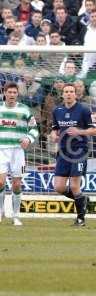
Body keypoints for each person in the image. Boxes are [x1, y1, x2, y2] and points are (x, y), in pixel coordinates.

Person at [50, 83, 96, 226]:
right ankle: (82, 200)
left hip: (79, 151)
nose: (69, 94)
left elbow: (95, 130)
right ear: (62, 94)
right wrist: (53, 135)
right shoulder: (57, 110)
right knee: (59, 187)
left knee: (74, 186)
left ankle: (80, 219)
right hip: (63, 152)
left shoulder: (83, 109)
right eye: (66, 91)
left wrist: (80, 132)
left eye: (71, 91)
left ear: (76, 94)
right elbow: (55, 129)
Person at [0, 82, 39, 226]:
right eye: (9, 92)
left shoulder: (24, 110)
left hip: (18, 152)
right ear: (5, 93)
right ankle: (1, 212)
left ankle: (16, 215)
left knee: (17, 184)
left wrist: (28, 138)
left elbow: (35, 128)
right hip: (1, 149)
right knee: (0, 182)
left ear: (17, 94)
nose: (11, 95)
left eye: (14, 92)